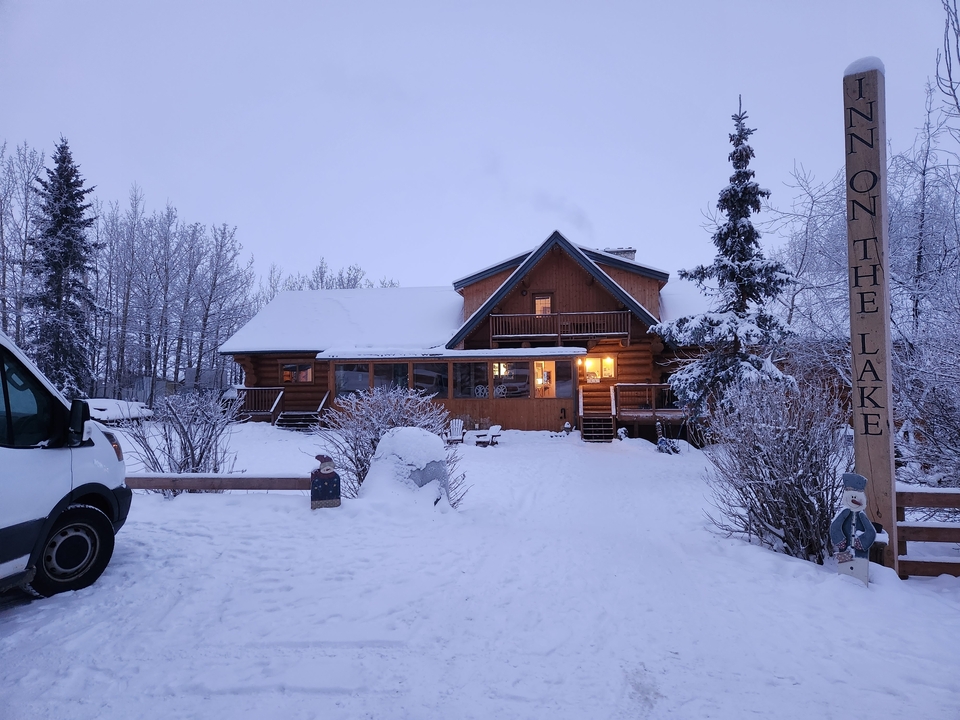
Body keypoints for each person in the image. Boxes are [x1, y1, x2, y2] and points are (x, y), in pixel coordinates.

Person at [830, 473, 877, 563]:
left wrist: (862, 542)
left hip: (860, 553)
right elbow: (835, 527)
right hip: (844, 550)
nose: (854, 498)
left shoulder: (862, 515)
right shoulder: (845, 513)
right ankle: (845, 575)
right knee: (846, 569)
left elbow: (871, 531)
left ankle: (858, 575)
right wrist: (840, 539)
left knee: (859, 570)